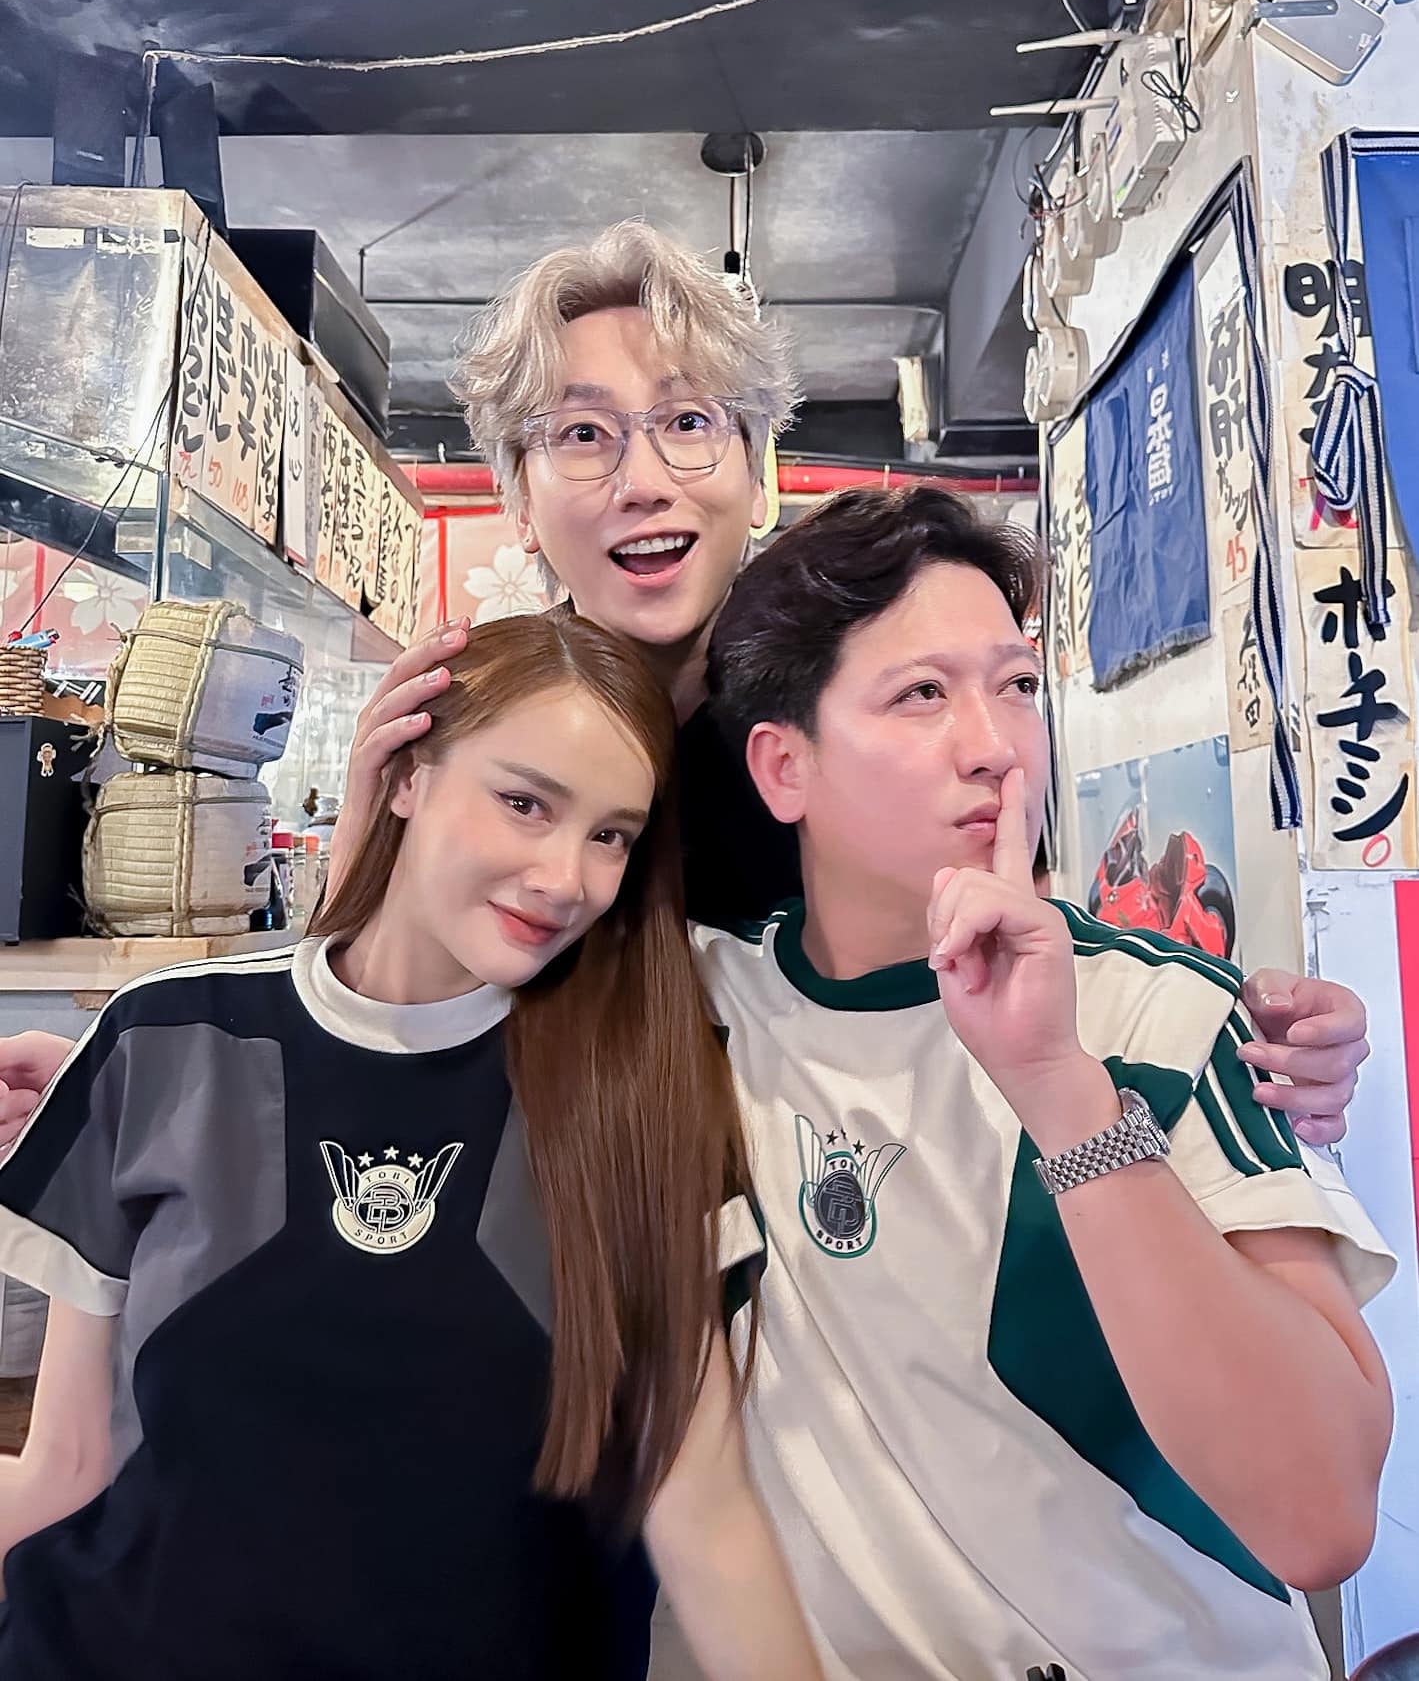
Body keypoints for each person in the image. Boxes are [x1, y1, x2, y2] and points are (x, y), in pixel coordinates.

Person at [0, 224, 1368, 1147]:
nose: (642, 478)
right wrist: (140, 1092)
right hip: (539, 1250)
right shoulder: (460, 722)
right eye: (580, 434)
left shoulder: (858, 706)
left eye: (688, 422)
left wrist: (1230, 1044)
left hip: (841, 1252)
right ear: (518, 490)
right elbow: (353, 1004)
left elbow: (1020, 945)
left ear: (755, 466)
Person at [0, 614, 822, 1681]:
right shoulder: (166, 1036)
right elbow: (67, 1462)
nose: (566, 876)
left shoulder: (638, 1097)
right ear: (403, 776)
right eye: (524, 802)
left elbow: (704, 1508)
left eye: (612, 834)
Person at [699, 484, 1395, 1681]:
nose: (995, 742)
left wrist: (1058, 1082)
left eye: (1017, 683)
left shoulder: (1161, 1013)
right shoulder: (704, 1014)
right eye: (922, 694)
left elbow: (1324, 1513)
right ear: (783, 765)